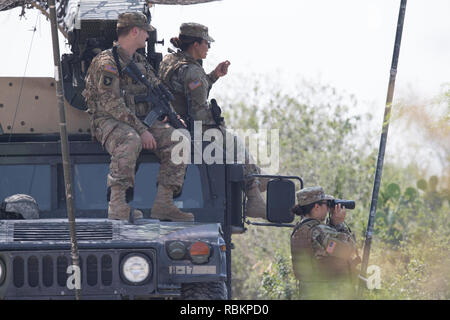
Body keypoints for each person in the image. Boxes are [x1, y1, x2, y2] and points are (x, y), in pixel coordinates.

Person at [82, 12, 194, 222]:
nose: (147, 37)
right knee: (130, 140)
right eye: (145, 32)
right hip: (108, 121)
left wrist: (167, 113)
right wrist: (142, 131)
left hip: (140, 119)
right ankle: (117, 205)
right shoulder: (107, 62)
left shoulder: (140, 61)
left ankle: (164, 203)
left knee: (180, 139)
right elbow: (110, 103)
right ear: (135, 31)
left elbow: (156, 88)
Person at [158, 22, 267, 219]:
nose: (208, 48)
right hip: (191, 128)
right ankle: (253, 192)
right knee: (234, 146)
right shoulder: (192, 70)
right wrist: (218, 129)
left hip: (172, 123)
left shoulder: (170, 61)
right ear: (196, 45)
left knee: (233, 143)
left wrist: (214, 76)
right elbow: (199, 112)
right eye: (206, 43)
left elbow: (188, 92)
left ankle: (255, 181)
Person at [290, 186, 360, 299]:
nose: (328, 209)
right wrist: (339, 224)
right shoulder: (319, 230)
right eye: (326, 205)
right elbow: (347, 250)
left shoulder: (299, 229)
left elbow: (324, 248)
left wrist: (332, 224)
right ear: (316, 207)